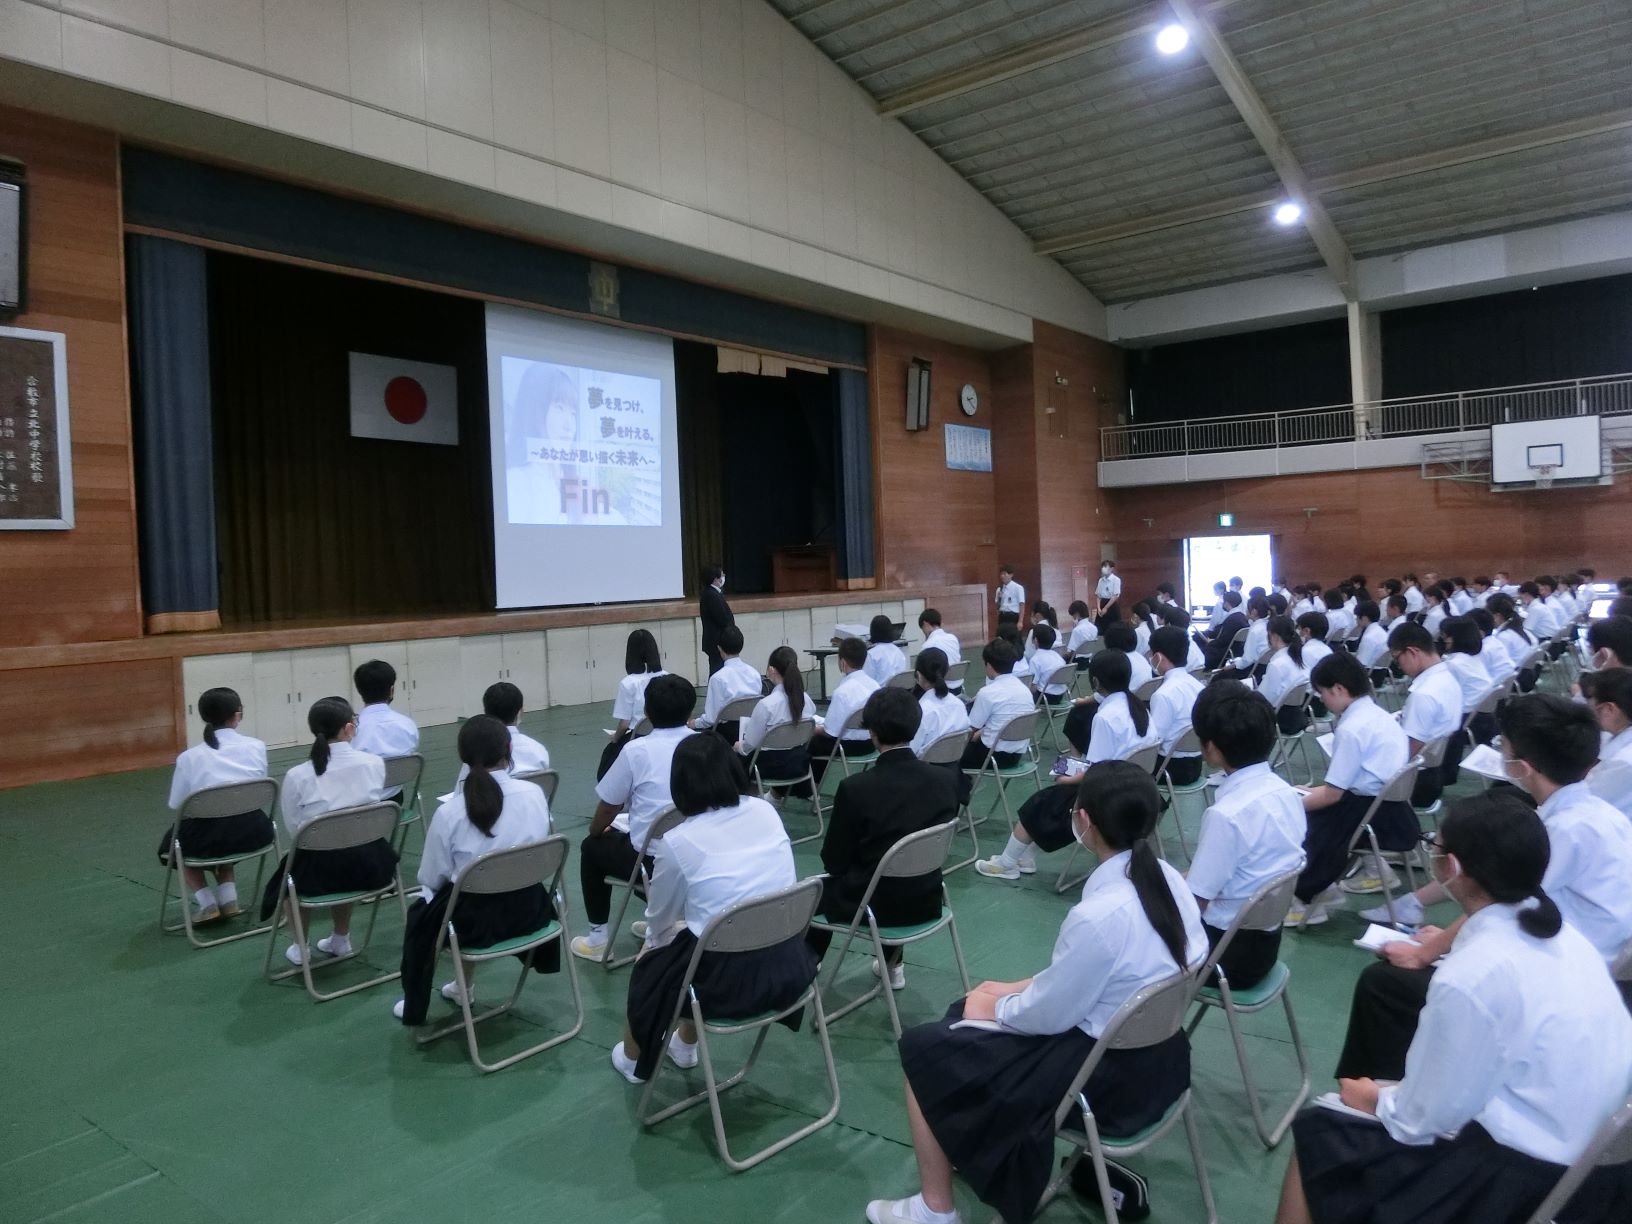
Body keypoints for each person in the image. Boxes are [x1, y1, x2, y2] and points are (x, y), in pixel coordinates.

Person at [865, 762, 1208, 1224]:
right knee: (970, 1012)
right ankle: (975, 1148)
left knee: (925, 1049)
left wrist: (998, 1005)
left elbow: (1050, 1015)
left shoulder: (1101, 914)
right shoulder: (1168, 879)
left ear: (1083, 820)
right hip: (1160, 1060)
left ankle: (934, 1209)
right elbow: (1098, 983)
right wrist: (1008, 992)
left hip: (1100, 1077)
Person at [1277, 794, 1632, 1224]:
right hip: (1596, 1171)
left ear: (1454, 867)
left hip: (1522, 1181)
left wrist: (1371, 1097)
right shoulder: (1568, 939)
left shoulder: (1471, 976)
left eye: (1437, 848)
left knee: (1320, 1131)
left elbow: (1420, 1119)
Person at [1344, 696, 1632, 1075]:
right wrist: (1450, 941)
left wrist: (1426, 952)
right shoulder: (1599, 814)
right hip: (1586, 955)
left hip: (1565, 974)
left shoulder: (1562, 830)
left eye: (1504, 749)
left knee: (1385, 983)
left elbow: (1506, 900)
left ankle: (1380, 1101)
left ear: (1522, 767)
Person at [612, 734, 814, 1083]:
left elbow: (659, 923)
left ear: (680, 786)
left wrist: (658, 943)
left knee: (656, 957)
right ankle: (685, 1047)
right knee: (702, 940)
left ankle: (634, 1061)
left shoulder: (678, 841)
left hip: (727, 985)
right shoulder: (765, 810)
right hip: (790, 963)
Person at [394, 715, 556, 1024]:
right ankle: (461, 987)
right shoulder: (535, 795)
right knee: (467, 892)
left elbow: (431, 878)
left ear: (463, 757)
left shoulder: (449, 813)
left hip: (473, 925)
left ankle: (422, 1001)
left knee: (425, 911)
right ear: (509, 748)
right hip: (531, 910)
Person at [807, 688, 959, 987]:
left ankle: (805, 968)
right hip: (928, 897)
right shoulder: (946, 780)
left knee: (814, 892)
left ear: (872, 732)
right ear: (915, 727)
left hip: (874, 905)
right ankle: (893, 966)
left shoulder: (856, 788)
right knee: (897, 869)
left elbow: (834, 861)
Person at [976, 650, 1157, 880]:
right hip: (1138, 787)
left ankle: (1006, 863)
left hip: (1109, 794)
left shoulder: (1106, 716)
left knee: (1040, 803)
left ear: (1095, 681)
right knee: (1056, 791)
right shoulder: (1140, 709)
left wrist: (1066, 778)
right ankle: (1025, 857)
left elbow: (1093, 771)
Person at [259, 697, 397, 966]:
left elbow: (294, 828)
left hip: (319, 868)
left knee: (290, 875)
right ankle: (341, 938)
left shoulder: (298, 775)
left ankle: (301, 947)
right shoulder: (374, 764)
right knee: (342, 851)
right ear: (348, 728)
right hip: (371, 862)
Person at [1187, 680, 1305, 987]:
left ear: (1210, 748)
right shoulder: (1286, 793)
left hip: (1220, 956)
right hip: (1264, 945)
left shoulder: (1227, 816)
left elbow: (1194, 904)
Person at [572, 674, 696, 961]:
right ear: (690, 712)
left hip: (652, 861)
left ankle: (598, 939)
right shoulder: (704, 745)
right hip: (697, 854)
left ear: (648, 713)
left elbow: (608, 806)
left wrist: (595, 830)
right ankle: (661, 920)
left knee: (592, 848)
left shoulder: (635, 750)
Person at [1293, 653, 1414, 924]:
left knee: (1299, 821)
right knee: (1307, 799)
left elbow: (1333, 795)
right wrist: (1307, 792)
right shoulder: (1378, 715)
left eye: (1322, 692)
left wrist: (1289, 802)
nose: (1321, 699)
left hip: (1366, 812)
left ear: (1338, 689)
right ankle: (1324, 890)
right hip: (1391, 810)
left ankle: (1306, 897)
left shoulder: (1351, 728)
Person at [159, 687, 275, 925]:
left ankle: (207, 903)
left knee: (174, 845)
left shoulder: (189, 757)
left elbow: (177, 804)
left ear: (202, 716)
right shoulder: (257, 746)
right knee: (226, 826)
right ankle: (229, 899)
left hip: (211, 836)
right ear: (238, 714)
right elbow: (259, 789)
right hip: (255, 832)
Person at [1389, 621, 1464, 809]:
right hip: (1435, 774)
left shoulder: (1423, 693)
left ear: (1413, 652)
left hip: (1414, 782)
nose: (1399, 666)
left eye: (1398, 659)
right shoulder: (1448, 677)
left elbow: (1408, 750)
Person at [737, 645, 817, 796]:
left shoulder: (766, 705)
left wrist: (738, 746)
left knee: (736, 757)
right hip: (798, 763)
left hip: (768, 767)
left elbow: (750, 745)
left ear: (771, 670)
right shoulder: (806, 699)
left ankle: (750, 803)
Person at [1061, 624, 1150, 756]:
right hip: (1139, 705)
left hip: (1120, 704)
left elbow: (1107, 691)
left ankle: (1075, 761)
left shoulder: (1117, 661)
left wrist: (1085, 700)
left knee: (1076, 715)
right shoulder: (1141, 658)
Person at [599, 628, 668, 778]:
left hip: (638, 736)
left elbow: (624, 724)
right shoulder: (666, 677)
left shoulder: (628, 683)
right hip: (665, 731)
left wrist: (615, 739)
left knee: (607, 761)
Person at [452, 682, 549, 788]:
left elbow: (461, 794)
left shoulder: (476, 756)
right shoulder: (539, 750)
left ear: (486, 713)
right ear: (521, 712)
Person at [810, 636, 881, 783]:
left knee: (812, 743)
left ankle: (810, 788)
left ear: (842, 662)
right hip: (872, 742)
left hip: (849, 747)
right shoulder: (875, 686)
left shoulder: (842, 691)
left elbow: (830, 733)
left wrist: (811, 729)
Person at [959, 639, 1034, 773]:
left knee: (945, 756)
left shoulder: (987, 693)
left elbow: (969, 731)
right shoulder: (1024, 690)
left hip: (990, 756)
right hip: (1017, 754)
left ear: (988, 665)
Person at [352, 659, 420, 799]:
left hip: (359, 802)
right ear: (391, 690)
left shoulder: (351, 730)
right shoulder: (408, 725)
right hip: (394, 801)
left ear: (360, 691)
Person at [1147, 626, 1204, 785]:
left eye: (1151, 654)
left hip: (1169, 769)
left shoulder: (1163, 694)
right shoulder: (1198, 686)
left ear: (1158, 657)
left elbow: (1155, 741)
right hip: (1196, 763)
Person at [689, 623, 761, 742]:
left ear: (719, 648)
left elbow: (711, 719)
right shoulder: (754, 673)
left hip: (725, 735)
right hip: (749, 730)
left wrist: (694, 723)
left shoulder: (718, 678)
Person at [1586, 667, 1632, 819]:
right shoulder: (1614, 738)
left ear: (1608, 709)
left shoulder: (1622, 763)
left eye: (1590, 700)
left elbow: (1586, 803)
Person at [1258, 615, 1309, 735]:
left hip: (1279, 719)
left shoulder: (1278, 664)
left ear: (1274, 636)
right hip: (1296, 716)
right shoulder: (1298, 657)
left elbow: (1264, 699)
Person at [1489, 593, 1539, 690]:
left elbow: (1500, 667)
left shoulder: (1504, 636)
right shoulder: (1518, 629)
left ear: (1497, 616)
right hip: (1528, 676)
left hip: (1517, 681)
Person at [699, 562, 734, 675]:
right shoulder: (711, 595)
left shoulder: (713, 594)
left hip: (717, 642)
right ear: (715, 578)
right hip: (717, 643)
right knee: (717, 672)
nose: (723, 577)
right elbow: (722, 619)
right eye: (722, 575)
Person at [1199, 590, 1247, 670]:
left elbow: (1223, 641)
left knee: (1202, 646)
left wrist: (1211, 641)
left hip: (1226, 650)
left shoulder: (1232, 619)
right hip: (1238, 650)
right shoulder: (1242, 616)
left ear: (1227, 603)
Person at [918, 608, 964, 693]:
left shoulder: (927, 645)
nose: (923, 632)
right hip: (958, 686)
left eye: (922, 629)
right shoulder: (953, 638)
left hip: (941, 688)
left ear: (925, 624)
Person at [1028, 623, 1070, 705]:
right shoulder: (1057, 656)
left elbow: (1033, 688)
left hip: (1045, 697)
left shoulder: (1035, 660)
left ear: (1035, 640)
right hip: (1060, 694)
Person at [864, 614, 909, 687]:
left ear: (872, 631)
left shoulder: (871, 654)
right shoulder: (899, 652)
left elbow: (867, 682)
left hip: (879, 695)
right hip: (898, 693)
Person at [1230, 595, 1271, 674]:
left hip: (1253, 669)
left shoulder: (1255, 630)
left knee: (1219, 677)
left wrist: (1234, 665)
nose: (1245, 611)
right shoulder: (1267, 624)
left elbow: (1247, 660)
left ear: (1254, 611)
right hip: (1264, 668)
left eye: (1247, 608)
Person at [1353, 599, 1389, 680]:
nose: (1356, 620)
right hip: (1381, 674)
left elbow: (1360, 664)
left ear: (1364, 618)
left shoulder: (1369, 637)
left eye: (1357, 617)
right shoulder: (1382, 632)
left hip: (1370, 676)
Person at [1063, 599, 1098, 668]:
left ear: (1077, 614)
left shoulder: (1077, 630)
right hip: (1089, 661)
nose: (1073, 618)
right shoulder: (1094, 628)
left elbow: (1070, 652)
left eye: (1073, 615)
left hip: (1077, 663)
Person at [1094, 559, 1123, 630]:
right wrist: (1099, 608)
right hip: (1102, 604)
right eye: (1102, 566)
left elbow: (1115, 596)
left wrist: (1106, 608)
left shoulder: (1116, 580)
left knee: (1114, 629)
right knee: (1101, 629)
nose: (1103, 568)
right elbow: (1098, 595)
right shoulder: (1101, 580)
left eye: (1105, 566)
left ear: (1111, 568)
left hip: (1111, 605)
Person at [995, 564, 1025, 628]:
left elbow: (1022, 605)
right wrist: (999, 598)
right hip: (1002, 616)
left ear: (1011, 575)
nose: (1002, 576)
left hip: (1013, 617)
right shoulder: (999, 589)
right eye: (1001, 574)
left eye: (1005, 574)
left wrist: (1020, 621)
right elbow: (997, 606)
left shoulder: (1018, 588)